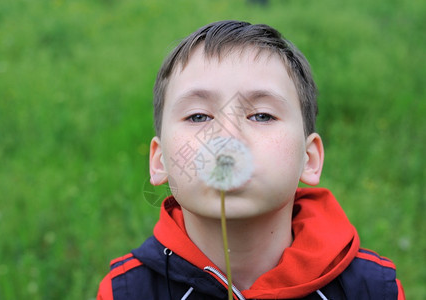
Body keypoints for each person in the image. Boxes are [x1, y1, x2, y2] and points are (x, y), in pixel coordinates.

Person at [97, 20, 405, 299]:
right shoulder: (125, 291)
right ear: (160, 161)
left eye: (261, 115)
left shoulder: (374, 289)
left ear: (309, 159)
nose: (227, 136)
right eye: (198, 116)